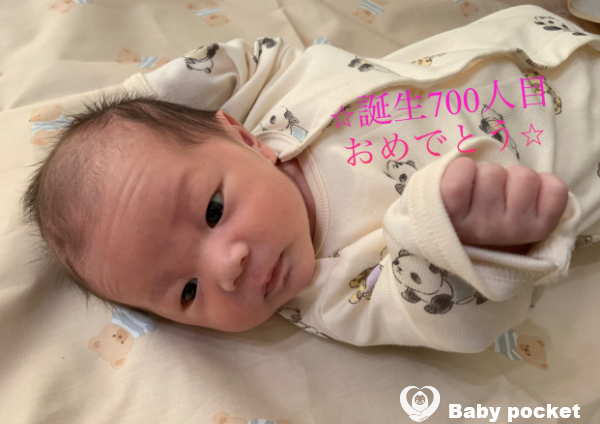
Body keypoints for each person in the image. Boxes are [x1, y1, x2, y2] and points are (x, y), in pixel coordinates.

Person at [21, 5, 600, 352]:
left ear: (241, 137)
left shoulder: (275, 96)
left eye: (214, 212)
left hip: (537, 38)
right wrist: (461, 239)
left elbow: (234, 63)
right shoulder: (334, 291)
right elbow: (441, 316)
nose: (227, 267)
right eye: (188, 292)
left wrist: (140, 106)